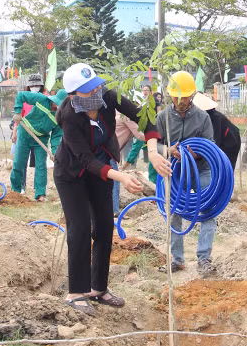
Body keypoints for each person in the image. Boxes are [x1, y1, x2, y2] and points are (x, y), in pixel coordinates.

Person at [55, 63, 170, 315]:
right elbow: (85, 160)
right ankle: (76, 292)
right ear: (74, 95)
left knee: (106, 226)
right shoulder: (69, 116)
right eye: (88, 89)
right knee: (81, 227)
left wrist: (152, 152)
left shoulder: (108, 96)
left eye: (96, 84)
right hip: (72, 174)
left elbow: (145, 117)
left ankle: (99, 288)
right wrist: (122, 178)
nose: (96, 90)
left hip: (102, 170)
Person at [157, 72, 217, 275]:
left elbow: (211, 147)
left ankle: (204, 258)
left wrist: (196, 153)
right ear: (170, 95)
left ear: (192, 95)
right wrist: (167, 150)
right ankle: (177, 259)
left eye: (184, 97)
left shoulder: (203, 118)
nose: (180, 101)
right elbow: (153, 145)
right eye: (176, 97)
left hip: (201, 170)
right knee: (174, 212)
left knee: (209, 210)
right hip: (175, 171)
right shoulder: (162, 117)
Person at [10, 89, 66, 201]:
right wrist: (18, 111)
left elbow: (56, 138)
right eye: (58, 104)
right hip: (25, 133)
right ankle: (15, 191)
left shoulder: (60, 117)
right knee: (19, 163)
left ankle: (40, 194)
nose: (58, 107)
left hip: (41, 139)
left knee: (41, 166)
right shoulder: (42, 99)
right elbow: (21, 95)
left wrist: (55, 153)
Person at [193, 92, 241, 170]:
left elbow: (215, 140)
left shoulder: (214, 117)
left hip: (231, 139)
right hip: (222, 138)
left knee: (226, 167)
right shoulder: (200, 117)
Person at [112, 109, 148, 215]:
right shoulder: (126, 116)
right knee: (115, 181)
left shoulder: (119, 116)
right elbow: (141, 136)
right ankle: (115, 211)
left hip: (109, 151)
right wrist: (155, 135)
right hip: (109, 152)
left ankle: (111, 209)